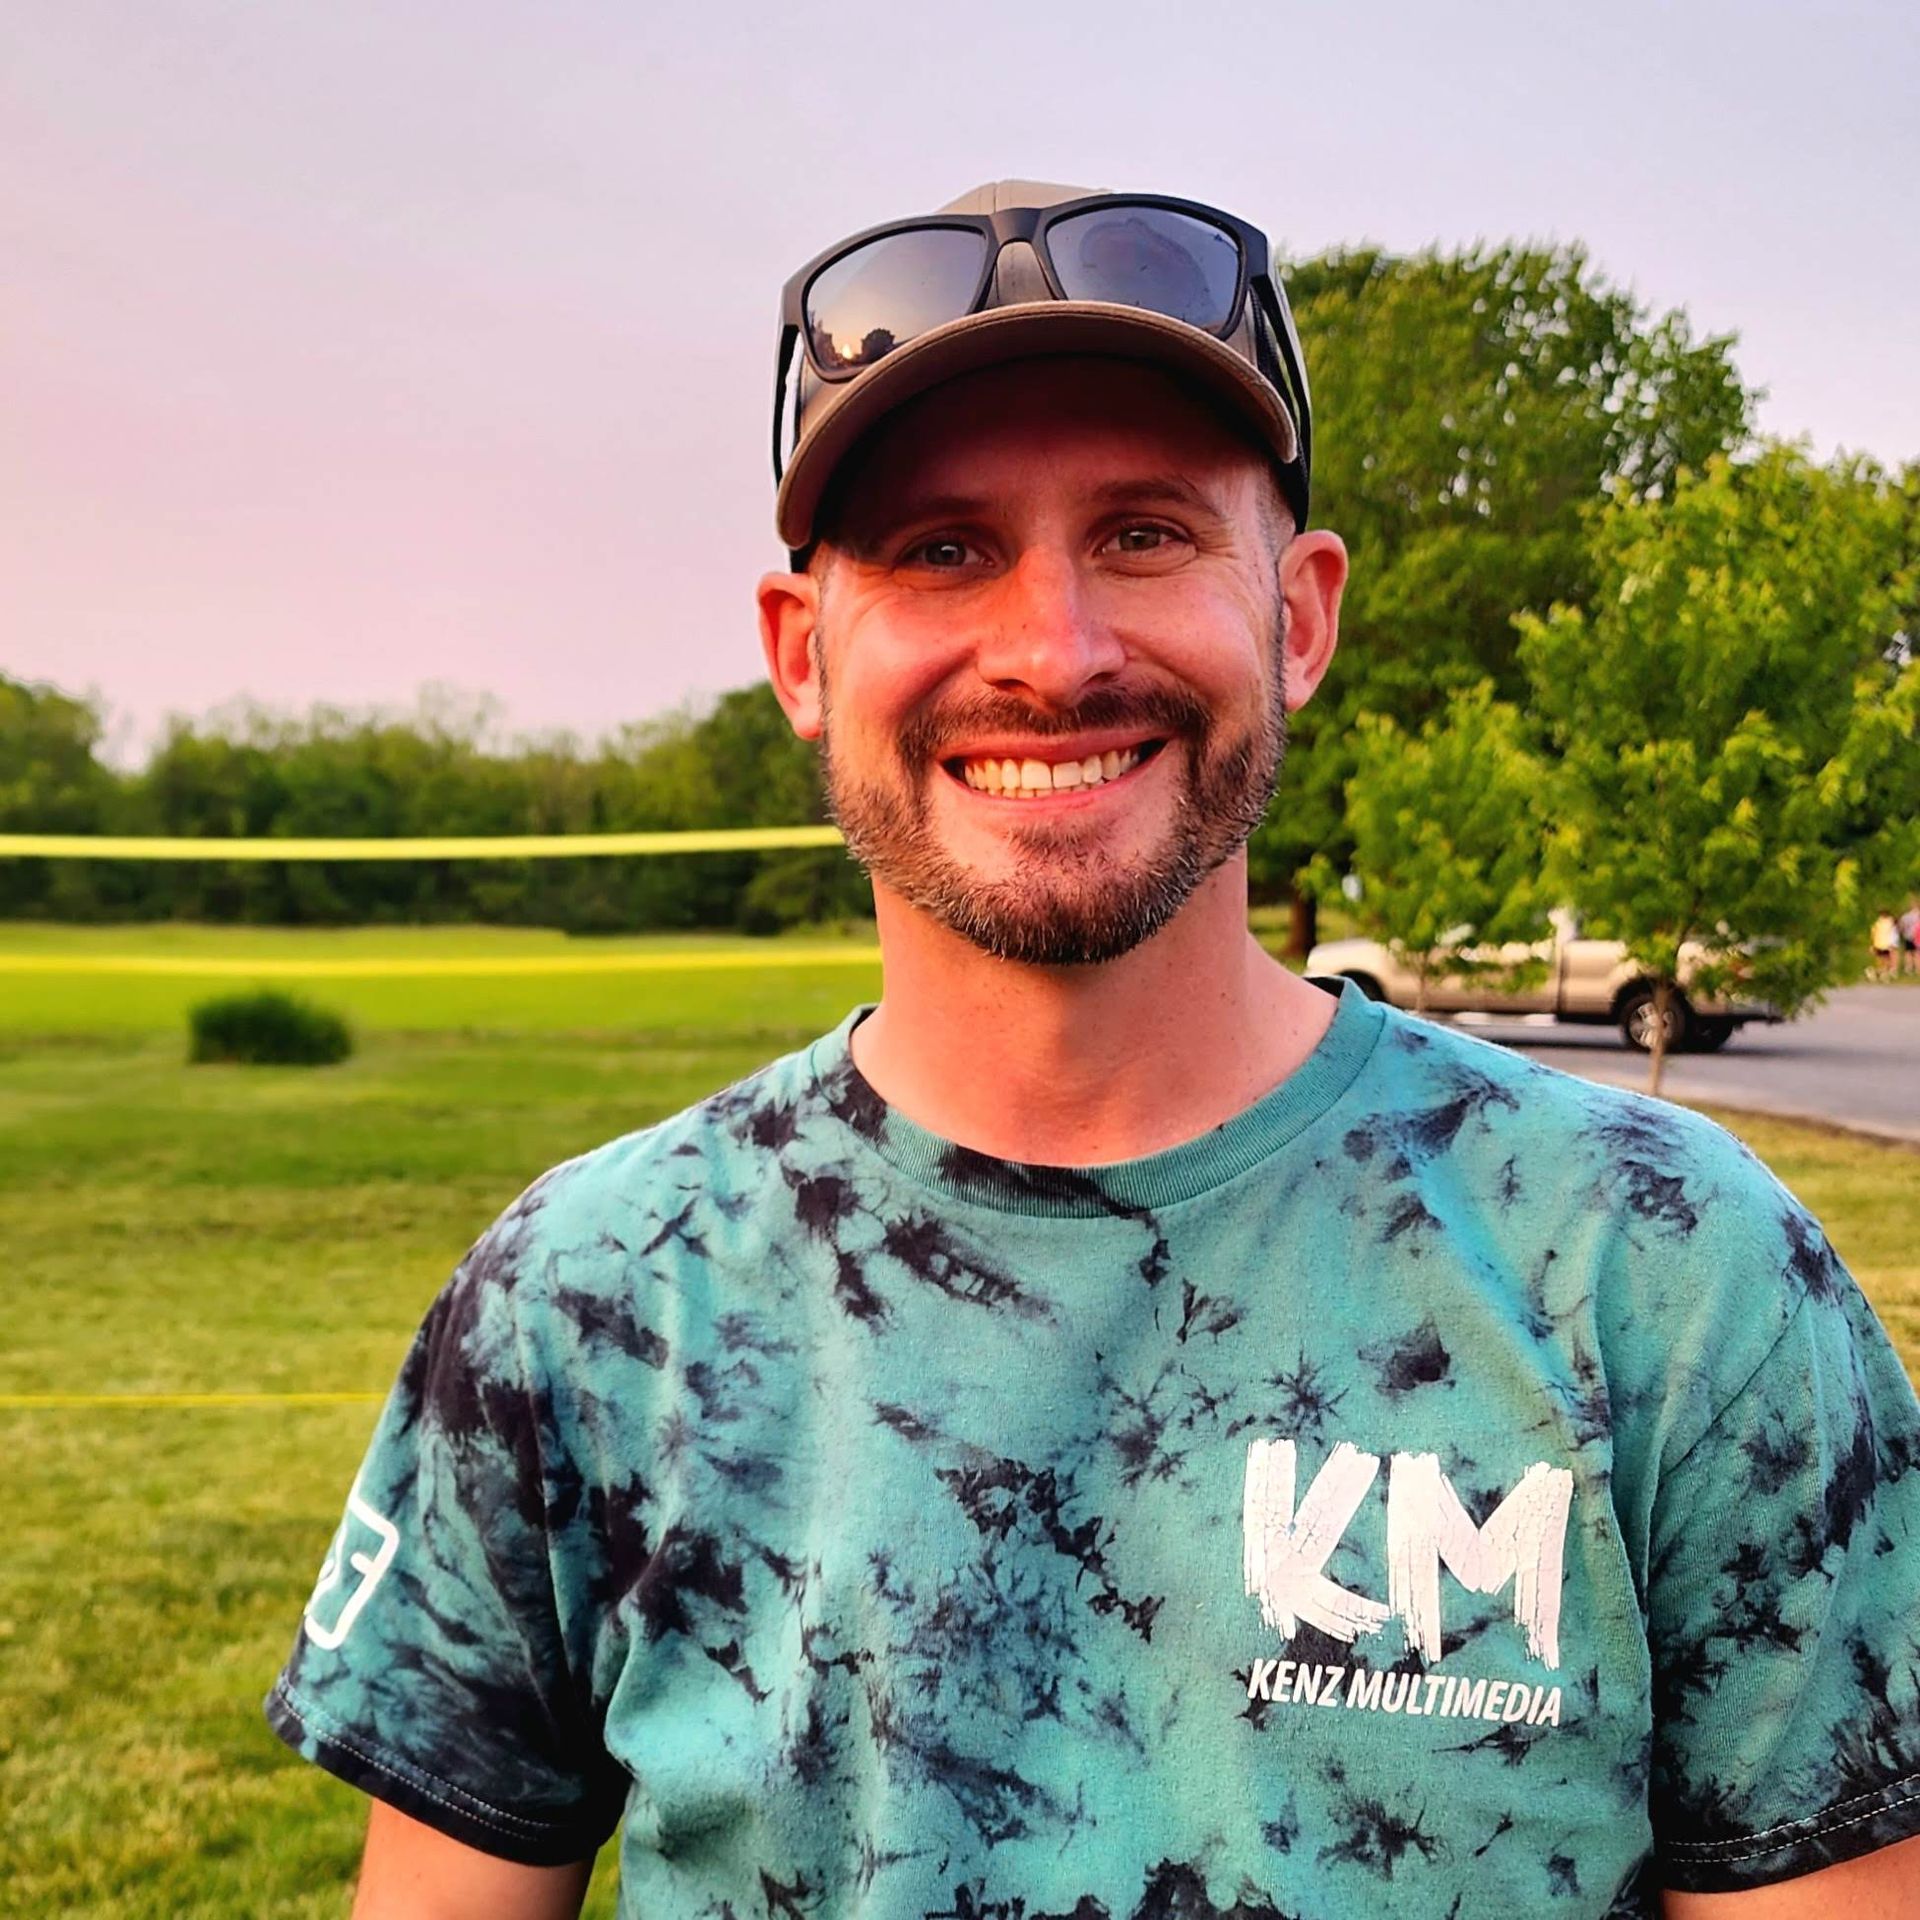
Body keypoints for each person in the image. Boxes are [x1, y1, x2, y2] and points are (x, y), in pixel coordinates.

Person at [266, 182, 1920, 1919]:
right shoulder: (588, 1301)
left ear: (1298, 617)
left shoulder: (1667, 1273)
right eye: (940, 549)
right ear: (801, 656)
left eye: (1143, 533)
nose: (1054, 653)